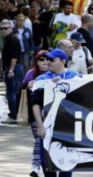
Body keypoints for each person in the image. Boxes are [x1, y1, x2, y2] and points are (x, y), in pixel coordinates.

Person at [31, 48, 81, 177]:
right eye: (47, 59)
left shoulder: (75, 77)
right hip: (48, 128)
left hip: (68, 128)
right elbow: (35, 104)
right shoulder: (42, 79)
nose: (48, 62)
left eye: (52, 60)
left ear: (63, 61)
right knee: (46, 163)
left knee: (66, 165)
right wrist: (40, 126)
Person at [21, 50, 49, 177]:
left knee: (47, 141)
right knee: (38, 140)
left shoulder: (53, 74)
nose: (45, 62)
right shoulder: (31, 74)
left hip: (50, 113)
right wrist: (27, 84)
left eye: (47, 59)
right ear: (36, 62)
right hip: (34, 112)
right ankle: (35, 167)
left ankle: (47, 165)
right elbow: (20, 88)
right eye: (41, 59)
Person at [1, 19, 24, 122]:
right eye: (1, 28)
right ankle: (14, 114)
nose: (3, 30)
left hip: (14, 68)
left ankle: (14, 115)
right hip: (12, 67)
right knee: (12, 91)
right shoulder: (8, 39)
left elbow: (14, 57)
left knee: (12, 92)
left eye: (6, 28)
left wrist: (11, 70)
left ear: (11, 28)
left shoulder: (12, 40)